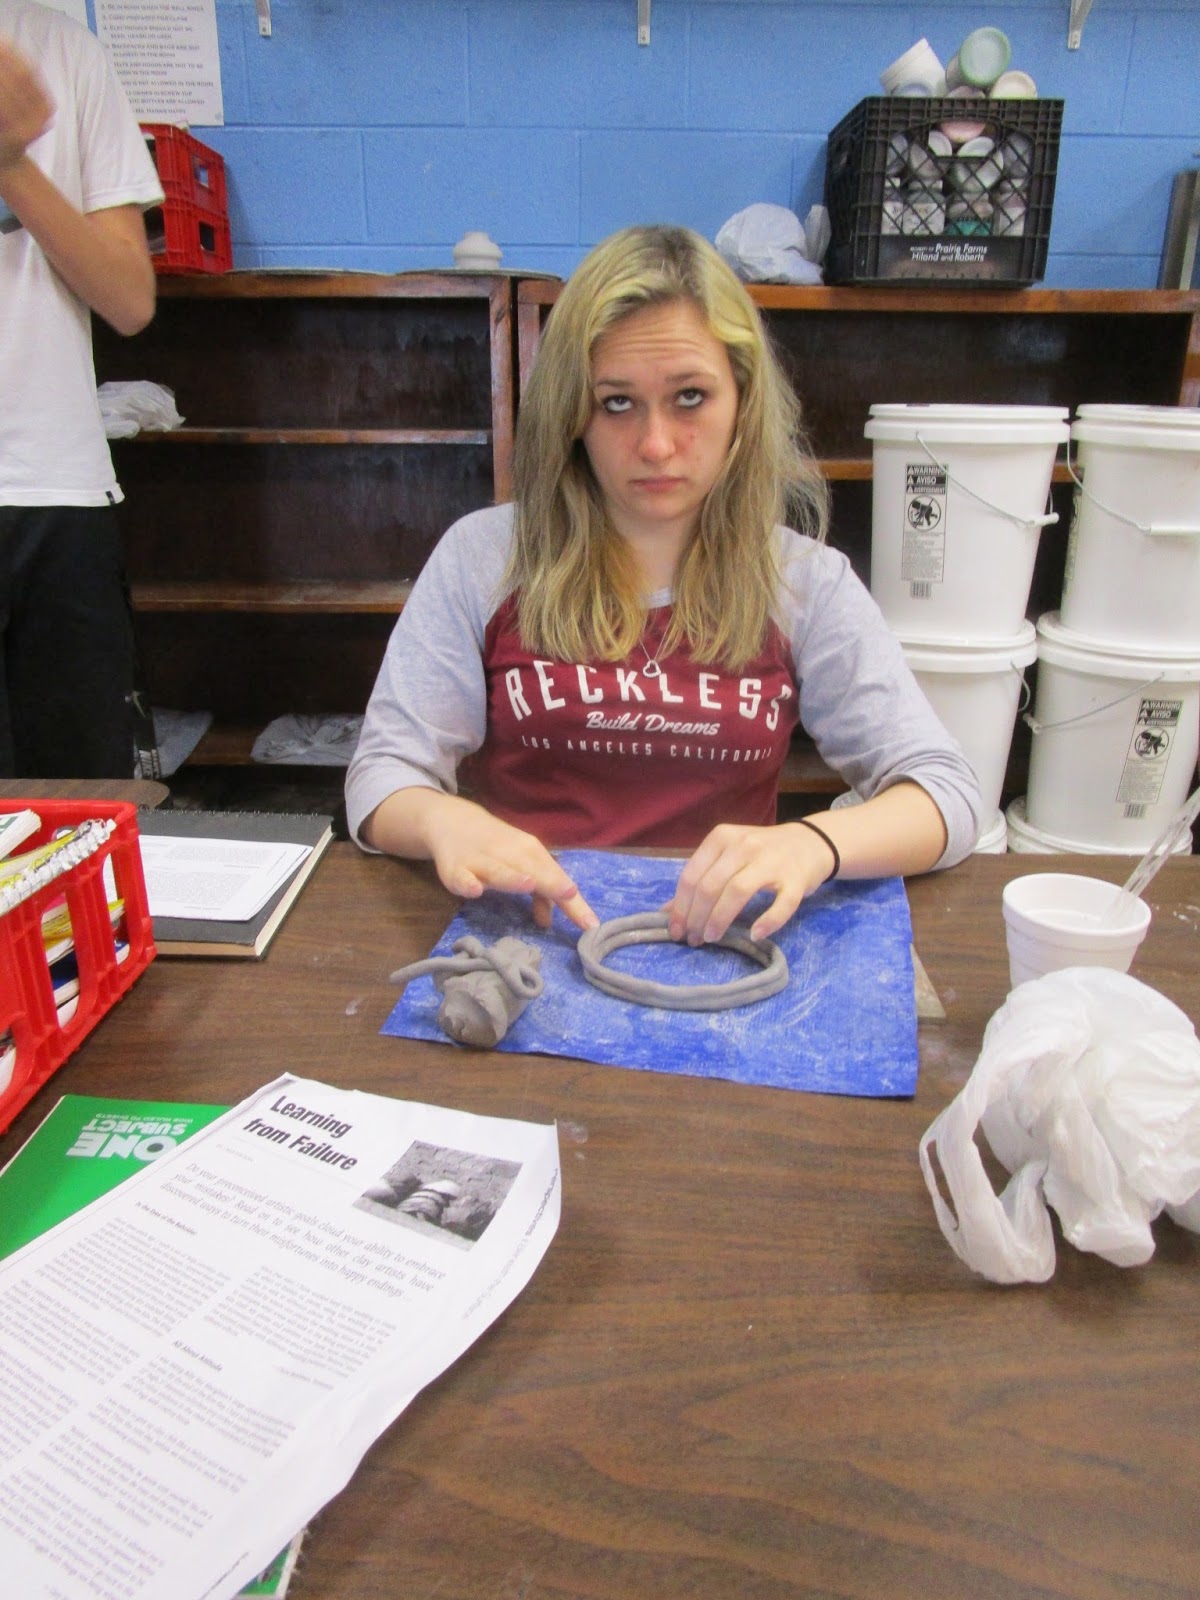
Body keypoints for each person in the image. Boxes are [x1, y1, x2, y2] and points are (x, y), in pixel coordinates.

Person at [346, 224, 983, 946]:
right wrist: (442, 820)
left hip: (720, 942)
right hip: (531, 937)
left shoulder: (805, 580)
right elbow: (380, 777)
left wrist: (815, 844)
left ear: (741, 401)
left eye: (689, 397)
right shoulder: (484, 556)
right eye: (616, 402)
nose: (655, 444)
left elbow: (949, 794)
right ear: (572, 413)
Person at [0, 1, 163, 777]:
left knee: (79, 809)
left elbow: (130, 301)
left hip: (51, 486)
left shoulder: (62, 54)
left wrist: (11, 162)